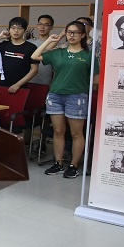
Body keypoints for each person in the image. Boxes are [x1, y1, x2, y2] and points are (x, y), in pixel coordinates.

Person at [31, 21, 92, 179]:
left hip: (77, 96)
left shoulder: (88, 55)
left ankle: (73, 165)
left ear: (83, 35)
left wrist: (80, 85)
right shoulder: (59, 52)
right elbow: (35, 56)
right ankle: (58, 163)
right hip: (55, 95)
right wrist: (50, 40)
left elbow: (96, 79)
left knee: (76, 133)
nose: (72, 35)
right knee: (58, 131)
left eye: (76, 32)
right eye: (69, 32)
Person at [0, 17, 38, 94]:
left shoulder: (31, 48)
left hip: (19, 88)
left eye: (19, 28)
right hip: (0, 85)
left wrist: (18, 84)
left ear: (25, 30)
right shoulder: (3, 45)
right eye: (13, 28)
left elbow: (34, 70)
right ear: (9, 30)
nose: (16, 31)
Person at [28, 14, 55, 85]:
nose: (42, 27)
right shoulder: (29, 43)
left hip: (45, 82)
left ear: (51, 27)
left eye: (46, 25)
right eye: (40, 24)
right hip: (28, 80)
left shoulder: (56, 45)